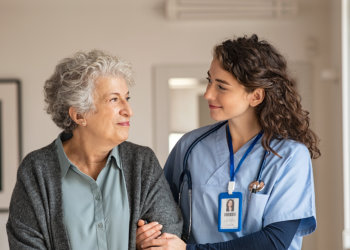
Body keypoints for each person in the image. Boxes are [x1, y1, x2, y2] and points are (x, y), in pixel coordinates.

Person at [137, 34, 320, 250]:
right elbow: (158, 211)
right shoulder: (190, 147)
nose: (207, 94)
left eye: (221, 87)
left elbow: (275, 242)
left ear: (256, 96)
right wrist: (147, 237)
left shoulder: (289, 156)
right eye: (209, 81)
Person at [6, 50, 182, 250]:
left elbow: (168, 239)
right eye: (114, 99)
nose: (128, 110)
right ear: (80, 115)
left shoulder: (142, 162)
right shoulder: (36, 170)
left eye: (127, 98)